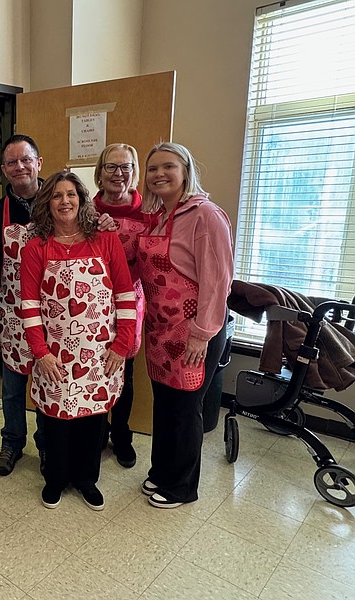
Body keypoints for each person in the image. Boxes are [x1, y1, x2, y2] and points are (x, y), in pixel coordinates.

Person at [20, 170, 136, 510]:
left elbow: (125, 295)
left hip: (99, 352)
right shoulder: (35, 248)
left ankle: (86, 479)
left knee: (92, 418)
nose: (65, 201)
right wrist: (40, 352)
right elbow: (28, 306)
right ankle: (55, 479)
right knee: (55, 419)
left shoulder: (104, 240)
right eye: (57, 195)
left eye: (71, 194)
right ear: (47, 203)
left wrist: (122, 345)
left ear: (82, 200)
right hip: (54, 354)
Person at [137, 142, 233, 509]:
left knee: (186, 408)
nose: (159, 174)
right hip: (161, 330)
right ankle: (161, 471)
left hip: (195, 332)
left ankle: (182, 486)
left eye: (168, 166)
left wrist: (202, 334)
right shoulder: (160, 216)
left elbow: (218, 281)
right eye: (153, 168)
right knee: (165, 404)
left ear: (186, 171)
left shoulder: (206, 215)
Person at [0, 134, 46, 476]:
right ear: (4, 170)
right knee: (12, 388)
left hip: (58, 317)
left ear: (38, 163)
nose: (19, 167)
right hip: (13, 316)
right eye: (11, 162)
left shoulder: (64, 202)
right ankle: (12, 443)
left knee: (51, 385)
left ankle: (48, 445)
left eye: (25, 159)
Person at [92, 143, 151, 468]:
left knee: (124, 373)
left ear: (134, 172)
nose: (119, 173)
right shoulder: (87, 210)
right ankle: (99, 433)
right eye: (112, 167)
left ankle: (122, 435)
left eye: (125, 167)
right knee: (98, 368)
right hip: (93, 305)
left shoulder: (148, 212)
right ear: (100, 173)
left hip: (131, 301)